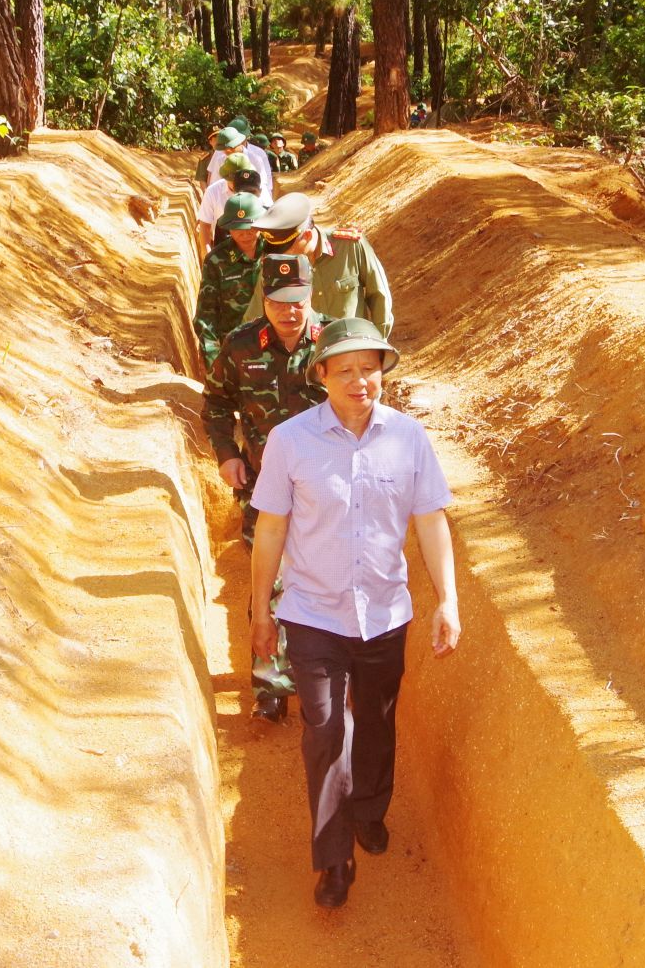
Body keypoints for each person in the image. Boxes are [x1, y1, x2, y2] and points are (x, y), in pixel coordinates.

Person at [249, 317, 460, 909]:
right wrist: (262, 610)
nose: (358, 380)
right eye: (344, 369)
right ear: (320, 375)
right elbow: (271, 528)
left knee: (375, 719)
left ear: (383, 373)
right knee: (326, 729)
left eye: (369, 368)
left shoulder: (409, 438)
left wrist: (448, 599)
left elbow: (430, 520)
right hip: (313, 613)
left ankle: (368, 806)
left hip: (385, 613)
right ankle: (334, 856)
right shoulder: (290, 440)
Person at [203, 255, 330, 722]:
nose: (288, 312)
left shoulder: (335, 344)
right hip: (264, 488)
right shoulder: (240, 345)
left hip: (326, 490)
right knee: (269, 581)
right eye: (278, 302)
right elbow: (216, 403)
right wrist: (227, 454)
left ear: (310, 294)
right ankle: (271, 686)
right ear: (265, 298)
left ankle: (322, 678)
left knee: (323, 579)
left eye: (296, 301)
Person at [242, 192, 393, 336]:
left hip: (351, 346)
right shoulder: (277, 265)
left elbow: (380, 296)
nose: (283, 257)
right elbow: (254, 318)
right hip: (308, 352)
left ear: (307, 236)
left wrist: (378, 344)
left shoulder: (350, 247)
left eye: (287, 249)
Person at [193, 193, 266, 368]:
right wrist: (215, 363)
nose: (246, 234)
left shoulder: (277, 252)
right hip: (233, 354)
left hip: (273, 351)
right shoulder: (216, 261)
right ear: (228, 228)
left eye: (251, 227)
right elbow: (205, 317)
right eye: (238, 228)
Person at [195, 155, 261, 258]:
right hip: (223, 249)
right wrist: (207, 258)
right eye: (235, 181)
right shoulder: (213, 192)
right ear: (226, 178)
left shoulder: (259, 189)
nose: (238, 183)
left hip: (254, 247)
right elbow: (205, 227)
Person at [201, 124, 274, 197]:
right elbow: (214, 185)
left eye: (231, 147)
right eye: (224, 148)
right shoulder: (220, 161)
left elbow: (263, 185)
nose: (228, 151)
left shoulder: (255, 160)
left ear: (240, 143)